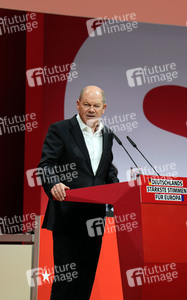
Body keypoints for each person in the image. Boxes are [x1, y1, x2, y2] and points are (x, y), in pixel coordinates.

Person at [38, 86, 119, 300]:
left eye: (96, 106)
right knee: (65, 280)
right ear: (77, 104)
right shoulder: (61, 129)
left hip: (95, 218)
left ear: (104, 108)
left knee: (86, 278)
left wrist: (120, 190)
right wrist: (54, 183)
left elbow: (106, 169)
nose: (91, 109)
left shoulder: (108, 135)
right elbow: (46, 165)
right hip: (68, 214)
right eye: (86, 104)